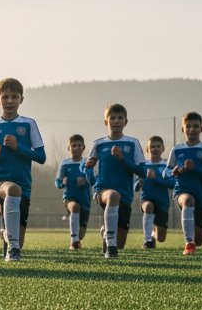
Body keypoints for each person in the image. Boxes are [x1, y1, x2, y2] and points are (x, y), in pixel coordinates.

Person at [0, 77, 46, 262]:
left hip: (24, 183)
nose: (9, 101)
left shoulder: (28, 124)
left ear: (21, 100)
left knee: (17, 235)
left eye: (14, 97)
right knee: (12, 190)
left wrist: (19, 148)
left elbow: (41, 157)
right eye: (5, 97)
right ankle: (13, 249)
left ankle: (10, 238)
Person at [84, 103, 146, 258]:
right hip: (103, 189)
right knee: (112, 196)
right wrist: (89, 168)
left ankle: (107, 233)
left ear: (126, 122)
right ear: (106, 122)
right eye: (112, 118)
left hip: (125, 194)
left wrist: (122, 159)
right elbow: (88, 173)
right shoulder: (99, 144)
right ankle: (111, 248)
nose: (116, 121)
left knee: (121, 243)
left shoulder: (132, 143)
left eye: (120, 118)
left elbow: (142, 171)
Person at [165, 111, 202, 257]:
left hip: (201, 196)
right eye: (188, 126)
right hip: (181, 191)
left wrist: (195, 168)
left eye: (195, 126)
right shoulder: (176, 150)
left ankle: (193, 241)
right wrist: (174, 172)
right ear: (182, 129)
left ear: (201, 129)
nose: (192, 129)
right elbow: (165, 172)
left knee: (199, 240)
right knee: (188, 201)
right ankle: (188, 244)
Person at [54, 134, 93, 251]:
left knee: (81, 234)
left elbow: (94, 180)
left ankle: (77, 238)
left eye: (79, 145)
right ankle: (73, 241)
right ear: (68, 148)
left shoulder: (87, 163)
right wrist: (62, 183)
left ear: (83, 147)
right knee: (75, 207)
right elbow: (57, 181)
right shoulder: (65, 163)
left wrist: (86, 180)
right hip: (69, 198)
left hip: (85, 200)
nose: (76, 148)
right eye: (73, 145)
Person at [136, 135, 173, 249]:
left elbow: (172, 184)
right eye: (152, 146)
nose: (155, 149)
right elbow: (134, 184)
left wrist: (156, 178)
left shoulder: (167, 166)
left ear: (163, 149)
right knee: (148, 207)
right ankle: (147, 241)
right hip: (147, 199)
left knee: (161, 238)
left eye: (158, 146)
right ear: (147, 150)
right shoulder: (143, 166)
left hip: (162, 202)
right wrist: (138, 184)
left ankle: (152, 235)